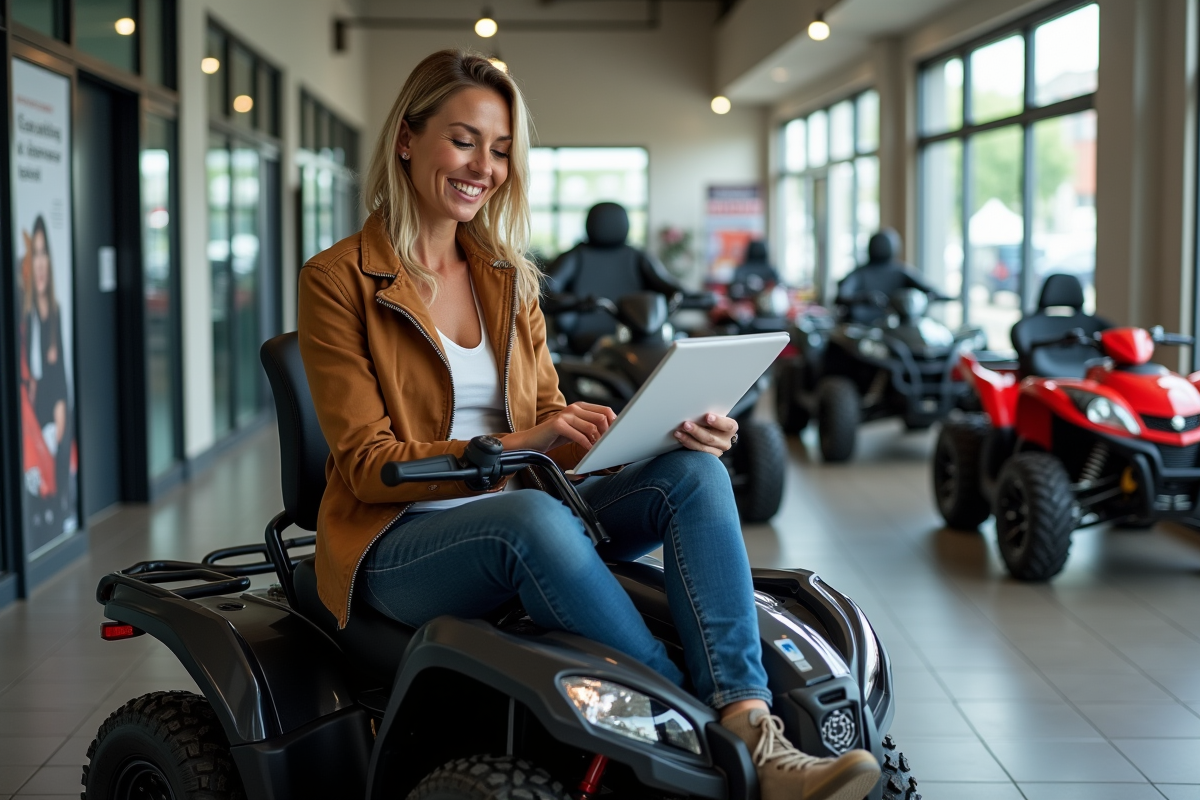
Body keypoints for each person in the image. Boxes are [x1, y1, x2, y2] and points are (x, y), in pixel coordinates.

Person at [297, 50, 880, 800]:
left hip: (522, 504)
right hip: (398, 541)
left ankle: (748, 720)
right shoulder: (338, 279)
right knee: (530, 519)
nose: (485, 166)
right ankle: (698, 731)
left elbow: (550, 424)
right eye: (465, 139)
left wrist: (661, 434)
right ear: (407, 139)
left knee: (694, 475)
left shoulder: (508, 278)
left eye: (501, 149)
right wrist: (524, 446)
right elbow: (367, 464)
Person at [20, 215, 70, 527]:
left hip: (53, 408)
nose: (40, 263)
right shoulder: (25, 315)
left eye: (44, 253)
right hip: (32, 410)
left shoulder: (55, 311)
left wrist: (61, 409)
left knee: (62, 434)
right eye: (34, 254)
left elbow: (60, 370)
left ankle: (58, 503)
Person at [835, 228, 938, 324]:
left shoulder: (900, 271)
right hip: (862, 327)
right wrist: (865, 298)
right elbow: (842, 295)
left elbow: (929, 289)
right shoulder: (860, 274)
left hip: (895, 326)